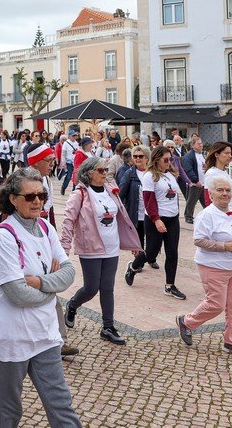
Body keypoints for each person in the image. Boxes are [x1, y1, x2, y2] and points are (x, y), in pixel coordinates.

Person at [0, 168, 82, 427]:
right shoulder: (4, 236)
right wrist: (52, 290)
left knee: (61, 403)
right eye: (29, 196)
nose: (37, 201)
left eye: (41, 195)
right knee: (8, 409)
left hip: (45, 333)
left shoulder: (46, 227)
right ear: (13, 199)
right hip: (12, 335)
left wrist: (38, 282)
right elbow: (17, 294)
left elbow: (69, 273)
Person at [61, 156, 142, 346]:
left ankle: (107, 327)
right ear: (89, 173)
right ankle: (73, 304)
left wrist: (132, 243)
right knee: (91, 288)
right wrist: (64, 249)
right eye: (100, 170)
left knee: (107, 288)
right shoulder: (79, 194)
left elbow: (122, 217)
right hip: (90, 247)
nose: (105, 173)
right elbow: (68, 221)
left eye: (106, 169)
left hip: (112, 247)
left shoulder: (110, 189)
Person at [175, 175, 232, 358]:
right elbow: (199, 240)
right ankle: (186, 322)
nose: (225, 193)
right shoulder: (206, 215)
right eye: (220, 190)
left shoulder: (230, 212)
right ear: (210, 194)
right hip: (214, 266)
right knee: (216, 304)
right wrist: (225, 246)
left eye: (228, 190)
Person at [25, 142, 78, 357]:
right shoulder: (24, 183)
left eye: (52, 160)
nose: (52, 164)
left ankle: (59, 341)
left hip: (43, 239)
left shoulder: (46, 179)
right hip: (28, 245)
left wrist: (53, 246)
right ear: (35, 163)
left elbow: (50, 213)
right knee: (38, 295)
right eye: (48, 161)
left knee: (50, 293)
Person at [126, 145, 186, 300]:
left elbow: (174, 196)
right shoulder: (149, 176)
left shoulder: (170, 174)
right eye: (165, 160)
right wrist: (156, 219)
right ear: (157, 159)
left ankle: (170, 285)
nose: (169, 162)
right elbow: (149, 200)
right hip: (155, 218)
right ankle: (133, 267)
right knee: (151, 252)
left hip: (172, 218)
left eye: (170, 159)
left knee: (172, 252)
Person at [118, 146, 152, 269]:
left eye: (140, 156)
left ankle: (151, 258)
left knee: (153, 240)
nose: (137, 158)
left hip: (151, 214)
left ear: (147, 157)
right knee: (138, 240)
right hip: (136, 212)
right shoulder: (129, 174)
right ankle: (138, 263)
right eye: (135, 156)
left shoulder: (152, 173)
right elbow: (121, 193)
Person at [201, 142, 232, 217]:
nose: (230, 156)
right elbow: (208, 199)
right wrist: (217, 217)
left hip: (230, 214)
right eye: (226, 153)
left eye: (230, 153)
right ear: (216, 154)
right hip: (222, 216)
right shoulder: (212, 173)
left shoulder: (224, 171)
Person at [181, 136, 205, 224]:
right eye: (199, 144)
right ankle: (188, 216)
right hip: (195, 183)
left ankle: (210, 214)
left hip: (203, 183)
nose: (201, 145)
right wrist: (195, 180)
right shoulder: (188, 156)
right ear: (192, 145)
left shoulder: (201, 154)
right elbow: (188, 170)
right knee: (191, 201)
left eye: (201, 143)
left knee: (206, 201)